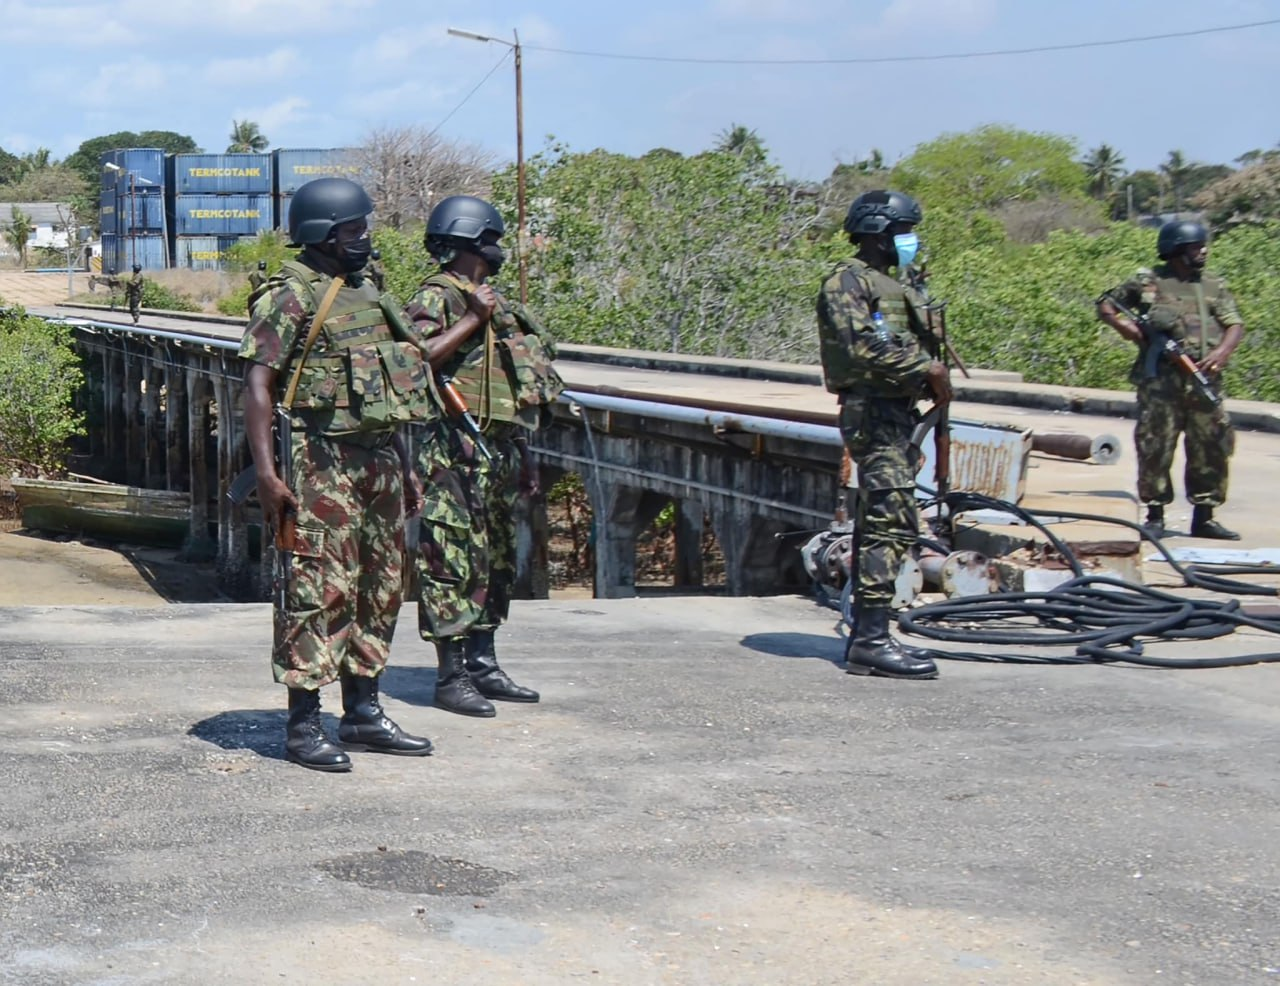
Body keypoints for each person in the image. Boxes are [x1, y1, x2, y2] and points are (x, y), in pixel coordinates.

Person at [238, 177, 438, 772]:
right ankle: (304, 725)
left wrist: (403, 466)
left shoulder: (369, 292)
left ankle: (364, 712)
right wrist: (269, 476)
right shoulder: (290, 295)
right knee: (315, 586)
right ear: (323, 234)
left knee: (379, 583)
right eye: (353, 229)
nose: (364, 238)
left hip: (377, 459)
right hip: (318, 462)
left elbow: (392, 386)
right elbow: (256, 385)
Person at [403, 195, 563, 717]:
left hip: (498, 448)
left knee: (496, 559)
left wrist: (526, 454)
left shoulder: (495, 301)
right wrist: (472, 319)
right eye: (492, 241)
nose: (499, 250)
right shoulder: (439, 296)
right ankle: (451, 676)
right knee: (450, 559)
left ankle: (483, 663)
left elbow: (512, 386)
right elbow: (413, 361)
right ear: (473, 242)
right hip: (452, 449)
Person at [815, 189, 951, 680]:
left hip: (895, 412)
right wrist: (927, 366)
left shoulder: (893, 285)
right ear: (879, 234)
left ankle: (872, 633)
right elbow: (859, 349)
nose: (911, 242)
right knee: (889, 519)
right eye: (903, 233)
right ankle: (870, 641)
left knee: (888, 520)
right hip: (872, 413)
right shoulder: (845, 282)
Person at [1097, 219, 1245, 540]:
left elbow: (1234, 324)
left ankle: (1204, 516)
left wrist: (1221, 352)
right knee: (1155, 445)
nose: (1203, 251)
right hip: (1160, 383)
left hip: (1202, 379)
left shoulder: (1213, 285)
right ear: (1176, 250)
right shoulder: (1148, 282)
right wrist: (1133, 333)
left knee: (1211, 445)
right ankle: (1155, 515)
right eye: (1196, 246)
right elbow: (1107, 306)